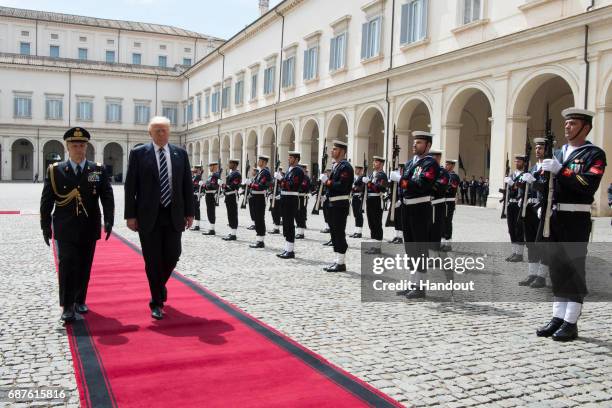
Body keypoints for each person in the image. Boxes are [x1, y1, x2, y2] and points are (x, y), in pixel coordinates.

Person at [534, 108, 606, 341]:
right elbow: (547, 185)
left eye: (573, 123)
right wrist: (540, 192)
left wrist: (561, 170)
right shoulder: (558, 152)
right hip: (554, 218)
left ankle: (571, 321)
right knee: (557, 268)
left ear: (586, 128)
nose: (567, 127)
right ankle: (557, 317)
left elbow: (587, 184)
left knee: (573, 269)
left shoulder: (594, 154)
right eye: (566, 123)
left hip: (576, 219)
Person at [40, 127, 114, 322]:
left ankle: (81, 299)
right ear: (67, 147)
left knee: (84, 265)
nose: (79, 148)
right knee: (67, 265)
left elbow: (107, 196)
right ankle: (67, 305)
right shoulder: (55, 170)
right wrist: (45, 225)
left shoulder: (97, 170)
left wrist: (109, 219)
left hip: (89, 226)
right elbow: (46, 200)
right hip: (65, 227)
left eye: (82, 145)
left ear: (86, 146)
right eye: (75, 145)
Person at [124, 116, 194, 320]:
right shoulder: (138, 154)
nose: (161, 133)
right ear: (150, 133)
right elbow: (131, 186)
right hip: (148, 215)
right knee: (152, 259)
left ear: (169, 131)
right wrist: (130, 215)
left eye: (164, 130)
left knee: (173, 254)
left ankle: (159, 286)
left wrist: (190, 213)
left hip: (174, 213)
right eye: (157, 130)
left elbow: (186, 185)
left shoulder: (180, 154)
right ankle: (156, 301)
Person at [389, 131, 439, 299]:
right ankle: (412, 283)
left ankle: (421, 286)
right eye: (414, 142)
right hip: (407, 208)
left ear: (428, 145)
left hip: (420, 209)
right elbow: (406, 186)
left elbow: (422, 184)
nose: (414, 144)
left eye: (418, 142)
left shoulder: (430, 164)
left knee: (420, 248)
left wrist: (401, 180)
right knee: (410, 247)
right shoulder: (411, 162)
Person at [320, 141, 354, 272]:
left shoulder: (346, 167)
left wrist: (327, 181)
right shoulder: (337, 166)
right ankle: (337, 259)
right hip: (332, 203)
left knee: (339, 232)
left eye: (335, 149)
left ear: (341, 151)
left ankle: (341, 262)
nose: (332, 151)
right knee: (334, 232)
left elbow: (342, 186)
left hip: (339, 204)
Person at [518, 138, 548, 288]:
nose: (537, 151)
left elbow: (547, 188)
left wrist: (534, 181)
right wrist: (520, 195)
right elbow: (525, 188)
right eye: (536, 148)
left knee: (543, 244)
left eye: (541, 148)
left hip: (542, 209)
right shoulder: (533, 168)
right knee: (530, 242)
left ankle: (541, 276)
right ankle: (532, 274)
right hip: (529, 209)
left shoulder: (549, 168)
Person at [275, 152, 305, 259]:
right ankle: (287, 248)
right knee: (286, 224)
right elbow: (284, 186)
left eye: (291, 157)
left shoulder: (299, 171)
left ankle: (290, 250)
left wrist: (281, 179)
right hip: (285, 198)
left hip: (291, 199)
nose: (289, 159)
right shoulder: (289, 170)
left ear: (297, 159)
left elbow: (292, 185)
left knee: (290, 224)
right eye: (289, 157)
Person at [504, 154, 527, 262]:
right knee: (511, 228)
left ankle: (520, 254)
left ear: (523, 162)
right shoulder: (512, 174)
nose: (517, 163)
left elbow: (522, 187)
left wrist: (512, 184)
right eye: (516, 161)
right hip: (510, 204)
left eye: (519, 161)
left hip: (519, 204)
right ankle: (514, 252)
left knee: (519, 229)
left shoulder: (525, 175)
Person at [364, 156, 388, 254]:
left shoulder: (382, 175)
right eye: (373, 161)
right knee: (371, 223)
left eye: (376, 162)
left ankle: (377, 247)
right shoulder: (372, 174)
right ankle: (374, 245)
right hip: (370, 200)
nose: (374, 163)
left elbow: (380, 188)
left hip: (377, 200)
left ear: (381, 164)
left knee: (377, 222)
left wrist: (369, 183)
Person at [248, 155, 272, 248]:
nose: (258, 162)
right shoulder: (260, 172)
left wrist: (251, 185)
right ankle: (259, 239)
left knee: (260, 218)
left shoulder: (265, 173)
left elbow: (262, 185)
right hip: (255, 197)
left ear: (264, 162)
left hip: (260, 197)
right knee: (257, 218)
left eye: (260, 160)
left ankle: (261, 241)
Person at [428, 150, 449, 255]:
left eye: (434, 158)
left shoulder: (443, 172)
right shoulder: (426, 170)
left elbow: (441, 186)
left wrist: (427, 185)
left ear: (438, 159)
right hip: (426, 204)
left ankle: (434, 256)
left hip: (437, 204)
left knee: (436, 230)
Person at [442, 159, 460, 251]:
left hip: (449, 202)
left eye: (448, 164)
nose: (446, 166)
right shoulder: (444, 174)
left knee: (447, 222)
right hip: (443, 201)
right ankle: (443, 242)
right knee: (442, 222)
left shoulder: (454, 176)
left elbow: (451, 187)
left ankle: (448, 243)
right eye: (446, 164)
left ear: (452, 166)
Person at [222, 159, 242, 241]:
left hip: (232, 196)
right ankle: (232, 232)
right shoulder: (231, 173)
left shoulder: (237, 174)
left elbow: (233, 186)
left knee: (233, 214)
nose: (228, 164)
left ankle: (234, 234)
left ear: (234, 164)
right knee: (230, 214)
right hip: (228, 196)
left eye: (230, 163)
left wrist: (224, 186)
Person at [202, 161, 221, 236]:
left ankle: (212, 229)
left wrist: (204, 186)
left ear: (214, 167)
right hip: (208, 195)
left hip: (211, 195)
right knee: (209, 211)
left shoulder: (215, 175)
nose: (209, 168)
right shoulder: (211, 175)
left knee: (211, 211)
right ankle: (211, 228)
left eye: (210, 166)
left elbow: (212, 185)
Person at [387, 163, 405, 245]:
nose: (400, 170)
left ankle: (400, 237)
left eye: (401, 169)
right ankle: (397, 235)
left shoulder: (404, 178)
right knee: (396, 219)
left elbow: (405, 190)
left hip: (402, 201)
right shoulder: (397, 179)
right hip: (396, 200)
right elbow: (392, 188)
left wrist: (400, 201)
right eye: (399, 169)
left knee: (401, 219)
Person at [349, 165, 365, 238]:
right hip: (354, 197)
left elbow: (361, 188)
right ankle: (356, 231)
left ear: (361, 170)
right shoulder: (355, 178)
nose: (355, 171)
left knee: (359, 215)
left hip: (359, 197)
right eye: (355, 169)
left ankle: (359, 232)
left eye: (357, 169)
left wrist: (354, 188)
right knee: (356, 215)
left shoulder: (362, 178)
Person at [295, 164, 310, 239]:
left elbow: (303, 187)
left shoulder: (305, 178)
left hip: (302, 197)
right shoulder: (299, 177)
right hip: (297, 196)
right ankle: (299, 230)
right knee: (297, 214)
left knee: (301, 213)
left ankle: (301, 232)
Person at [269, 167, 283, 234]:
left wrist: (280, 194)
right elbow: (271, 186)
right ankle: (275, 227)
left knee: (277, 213)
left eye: (279, 170)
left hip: (279, 198)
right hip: (273, 198)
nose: (278, 172)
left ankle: (277, 228)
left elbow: (283, 187)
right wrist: (270, 193)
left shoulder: (281, 179)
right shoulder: (274, 179)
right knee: (273, 212)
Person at [190, 165, 203, 231]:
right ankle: (196, 224)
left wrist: (195, 192)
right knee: (195, 210)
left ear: (198, 169)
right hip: (193, 195)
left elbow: (196, 186)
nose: (193, 169)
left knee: (196, 210)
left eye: (195, 168)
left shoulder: (198, 177)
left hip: (196, 196)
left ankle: (197, 225)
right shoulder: (195, 176)